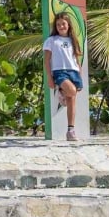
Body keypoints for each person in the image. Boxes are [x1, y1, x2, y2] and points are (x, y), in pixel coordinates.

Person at [43, 11, 83, 141]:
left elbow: (77, 59)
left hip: (74, 72)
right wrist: (49, 77)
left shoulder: (73, 40)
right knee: (70, 91)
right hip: (60, 72)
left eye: (63, 24)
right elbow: (47, 60)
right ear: (55, 26)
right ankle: (60, 91)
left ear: (68, 25)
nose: (61, 26)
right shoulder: (51, 40)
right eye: (58, 24)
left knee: (72, 99)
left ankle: (70, 130)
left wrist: (80, 75)